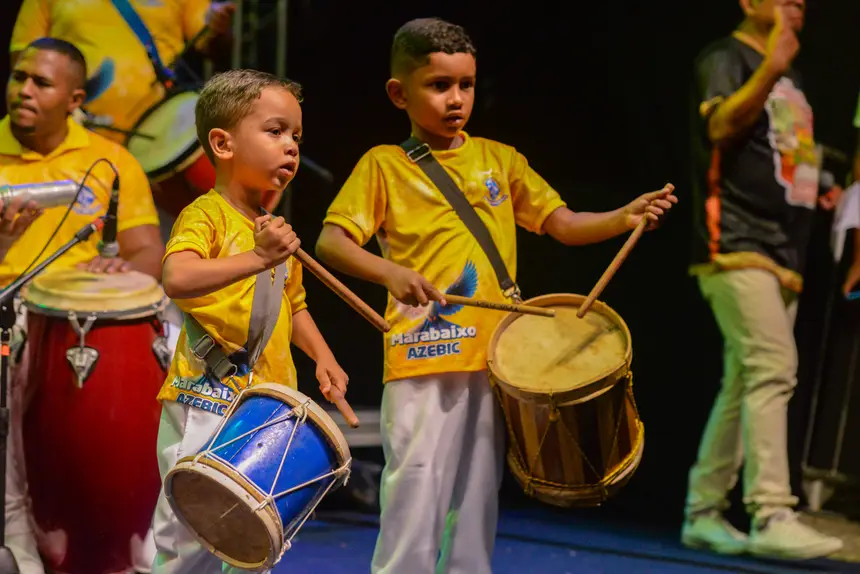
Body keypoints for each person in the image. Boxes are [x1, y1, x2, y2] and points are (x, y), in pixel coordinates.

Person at [314, 17, 677, 574]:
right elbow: (331, 242)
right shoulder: (383, 165)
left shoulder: (499, 159)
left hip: (494, 360)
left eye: (466, 84)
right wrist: (390, 273)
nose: (456, 99)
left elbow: (561, 222)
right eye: (439, 86)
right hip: (422, 357)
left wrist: (622, 217)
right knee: (415, 491)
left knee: (477, 497)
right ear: (399, 93)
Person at [149, 68, 349, 573]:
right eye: (275, 131)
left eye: (296, 136)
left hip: (265, 403)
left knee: (249, 544)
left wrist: (323, 356)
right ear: (223, 143)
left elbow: (292, 305)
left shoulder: (273, 230)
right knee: (187, 538)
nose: (291, 146)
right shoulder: (207, 214)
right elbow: (177, 277)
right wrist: (258, 257)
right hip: (206, 396)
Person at [683, 0, 845, 560]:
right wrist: (771, 65)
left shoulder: (792, 74)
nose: (797, 3)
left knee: (744, 379)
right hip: (735, 239)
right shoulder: (726, 57)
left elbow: (782, 148)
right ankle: (771, 511)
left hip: (783, 247)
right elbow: (720, 127)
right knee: (773, 367)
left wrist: (822, 183)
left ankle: (703, 511)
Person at [0, 37, 164, 573]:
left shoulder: (110, 161)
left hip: (72, 328)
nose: (24, 90)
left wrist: (123, 267)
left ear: (74, 100)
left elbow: (149, 253)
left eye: (41, 83)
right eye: (18, 77)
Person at [10, 0, 235, 145]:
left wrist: (218, 26)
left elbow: (215, 47)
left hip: (161, 139)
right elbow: (24, 58)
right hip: (75, 136)